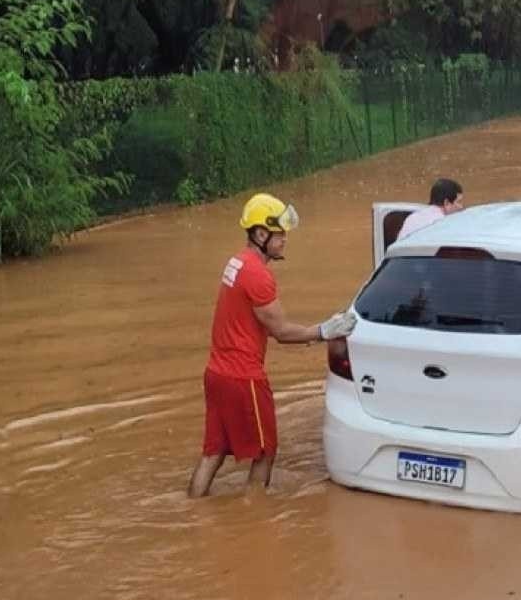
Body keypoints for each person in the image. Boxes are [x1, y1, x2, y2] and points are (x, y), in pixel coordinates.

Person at [187, 193, 357, 498]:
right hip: (244, 377)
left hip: (216, 373)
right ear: (261, 233)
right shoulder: (258, 275)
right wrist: (324, 330)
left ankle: (194, 511)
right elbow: (281, 331)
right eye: (280, 233)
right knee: (265, 452)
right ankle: (255, 524)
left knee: (213, 452)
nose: (285, 239)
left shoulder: (236, 262)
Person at [396, 178, 465, 240]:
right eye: (458, 202)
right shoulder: (443, 225)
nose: (461, 207)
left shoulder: (412, 217)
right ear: (446, 203)